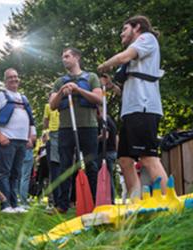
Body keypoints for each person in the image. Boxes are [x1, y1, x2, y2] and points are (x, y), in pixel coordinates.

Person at [97, 15, 168, 199]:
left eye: (124, 29)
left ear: (137, 27)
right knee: (125, 160)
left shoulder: (146, 39)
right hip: (131, 111)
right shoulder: (134, 59)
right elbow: (125, 89)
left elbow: (123, 57)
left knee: (147, 157)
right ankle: (135, 203)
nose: (122, 34)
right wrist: (112, 86)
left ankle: (169, 202)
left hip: (144, 108)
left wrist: (105, 65)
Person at [49, 47, 102, 213]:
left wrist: (78, 90)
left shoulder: (91, 77)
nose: (64, 59)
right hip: (66, 128)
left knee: (91, 164)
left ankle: (94, 203)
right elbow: (52, 105)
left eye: (67, 56)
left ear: (77, 57)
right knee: (65, 166)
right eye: (62, 57)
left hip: (88, 126)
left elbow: (99, 98)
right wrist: (62, 93)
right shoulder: (59, 81)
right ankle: (62, 205)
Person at [0, 68, 35, 213]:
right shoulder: (1, 96)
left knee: (16, 173)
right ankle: (5, 205)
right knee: (4, 173)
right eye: (10, 77)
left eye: (16, 76)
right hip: (7, 140)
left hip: (22, 141)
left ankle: (15, 204)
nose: (14, 79)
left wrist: (30, 137)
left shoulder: (23, 98)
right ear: (5, 81)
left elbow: (30, 121)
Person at [96, 107, 117, 203]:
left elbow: (105, 135)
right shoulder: (110, 120)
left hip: (106, 152)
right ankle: (110, 200)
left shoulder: (103, 120)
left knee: (106, 177)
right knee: (109, 176)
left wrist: (93, 140)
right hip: (112, 151)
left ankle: (110, 201)